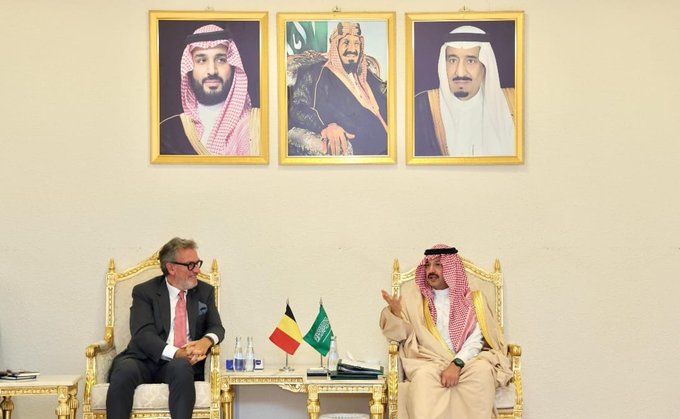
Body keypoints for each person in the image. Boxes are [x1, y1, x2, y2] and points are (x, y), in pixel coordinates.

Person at [379, 244, 511, 419]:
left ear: (451, 268)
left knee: (482, 372)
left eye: (438, 265)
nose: (431, 270)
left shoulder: (474, 300)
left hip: (468, 363)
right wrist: (395, 314)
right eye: (427, 265)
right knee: (423, 379)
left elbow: (477, 339)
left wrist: (457, 363)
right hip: (429, 362)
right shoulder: (413, 301)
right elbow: (399, 336)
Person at [106, 237, 225, 419]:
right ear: (171, 268)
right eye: (191, 265)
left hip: (180, 364)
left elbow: (217, 327)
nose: (197, 270)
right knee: (124, 371)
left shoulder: (204, 291)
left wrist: (205, 341)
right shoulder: (144, 292)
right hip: (143, 359)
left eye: (197, 263)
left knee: (182, 368)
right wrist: (177, 353)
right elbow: (143, 335)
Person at [288, 21, 388, 156]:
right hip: (364, 149)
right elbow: (297, 107)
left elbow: (385, 92)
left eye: (356, 43)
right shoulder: (316, 73)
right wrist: (326, 126)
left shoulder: (365, 73)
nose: (352, 49)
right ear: (335, 47)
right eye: (346, 43)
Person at [414, 25, 515, 157]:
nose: (460, 72)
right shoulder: (420, 108)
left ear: (485, 66)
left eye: (470, 61)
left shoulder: (513, 104)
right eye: (452, 60)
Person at [160, 24, 260, 156]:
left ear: (233, 66)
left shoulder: (259, 125)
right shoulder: (168, 132)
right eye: (201, 60)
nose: (212, 71)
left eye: (221, 60)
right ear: (189, 69)